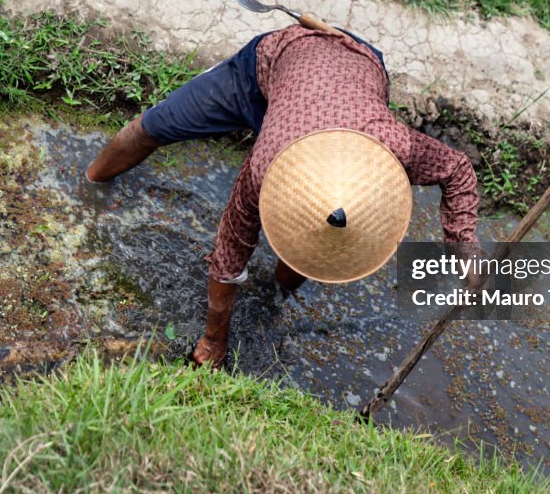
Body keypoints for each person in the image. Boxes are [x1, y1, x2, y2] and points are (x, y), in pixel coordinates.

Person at [86, 25, 480, 367]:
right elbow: (229, 252)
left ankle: (280, 290)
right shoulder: (266, 167)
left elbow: (457, 170)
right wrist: (213, 340)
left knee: (322, 232)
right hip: (275, 63)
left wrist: (464, 251)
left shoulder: (391, 148)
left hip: (357, 62)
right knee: (152, 127)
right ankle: (89, 184)